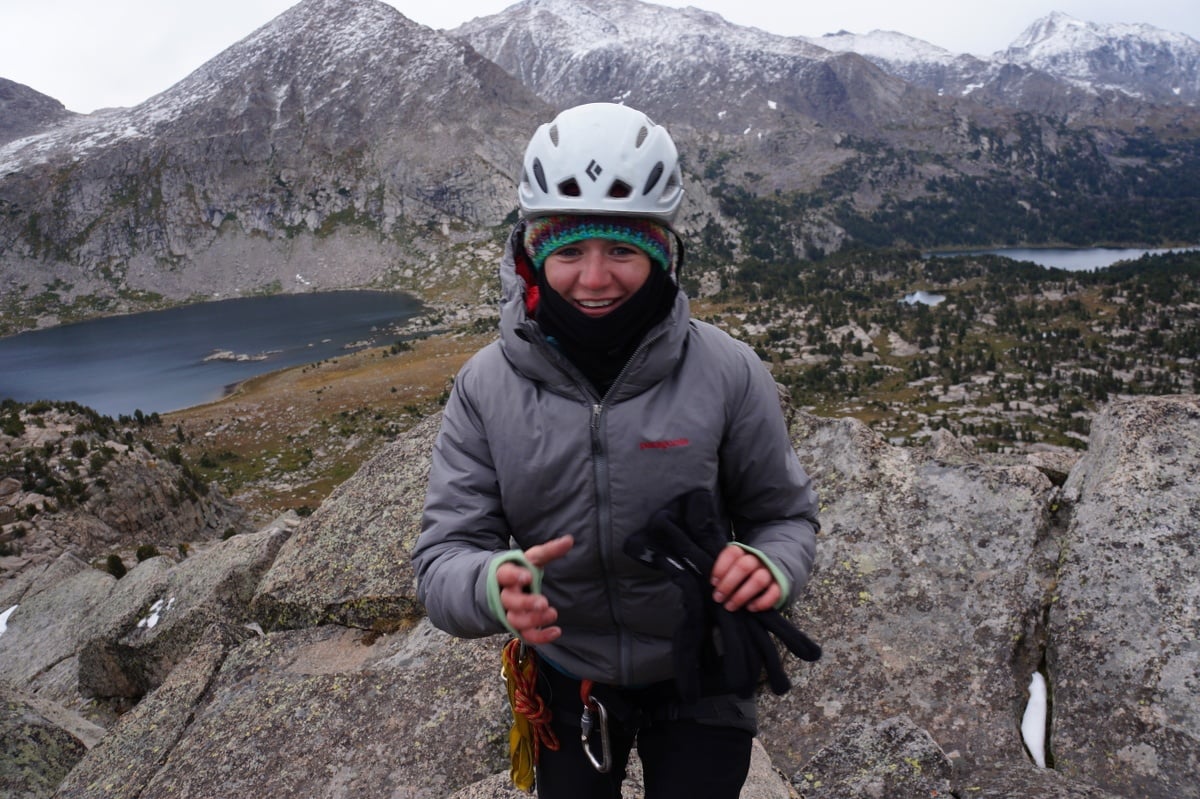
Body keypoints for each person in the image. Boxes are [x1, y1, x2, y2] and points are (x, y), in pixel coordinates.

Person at [412, 102, 819, 798]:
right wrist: (489, 585)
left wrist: (770, 565)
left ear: (661, 253)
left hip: (703, 670)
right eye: (569, 250)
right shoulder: (487, 387)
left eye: (623, 250)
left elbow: (784, 516)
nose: (594, 279)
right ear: (533, 256)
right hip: (569, 676)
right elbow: (441, 558)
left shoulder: (727, 371)